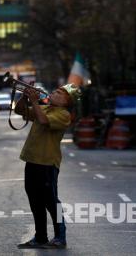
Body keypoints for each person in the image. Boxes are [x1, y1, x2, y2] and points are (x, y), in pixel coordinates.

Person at [14, 83, 81, 249]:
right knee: (35, 201)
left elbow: (43, 121)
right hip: (32, 160)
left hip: (47, 163)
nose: (54, 93)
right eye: (55, 90)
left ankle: (60, 236)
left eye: (59, 93)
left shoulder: (64, 114)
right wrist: (24, 97)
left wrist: (35, 102)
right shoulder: (44, 108)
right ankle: (40, 237)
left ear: (66, 102)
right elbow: (20, 111)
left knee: (51, 201)